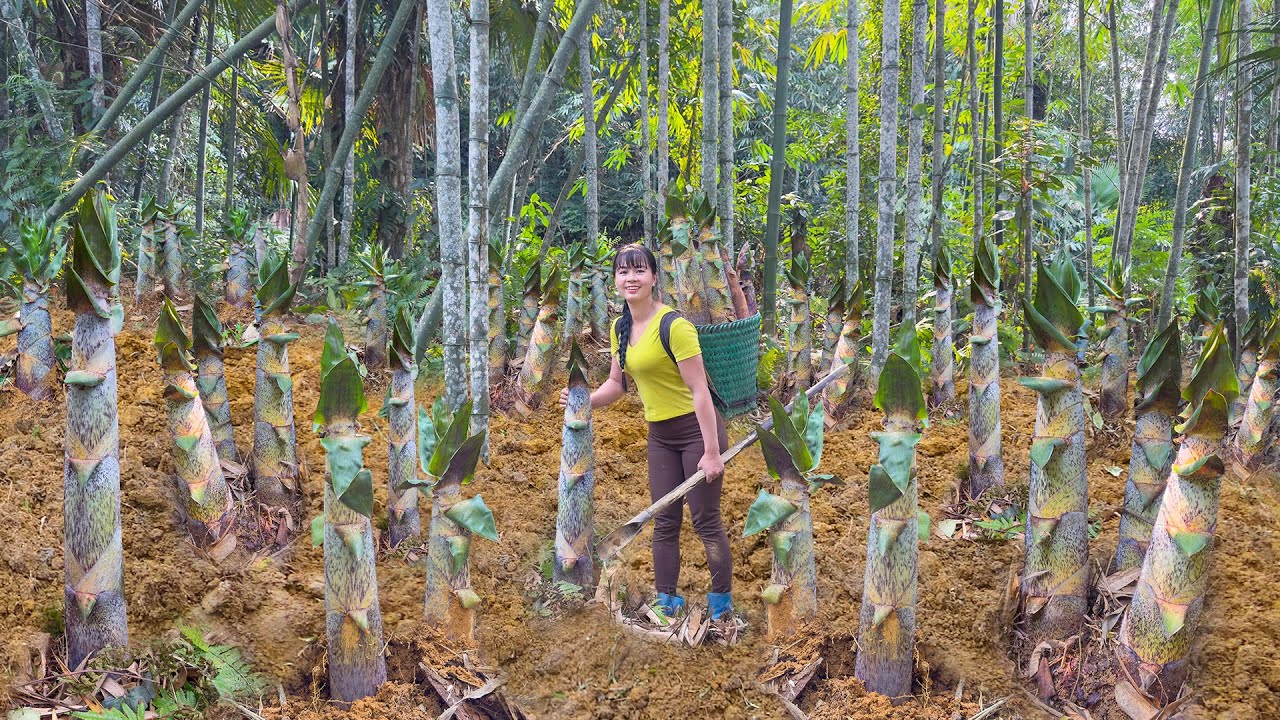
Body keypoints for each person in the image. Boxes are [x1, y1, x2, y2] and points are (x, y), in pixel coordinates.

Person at [559, 242, 733, 620]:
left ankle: (722, 604)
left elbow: (699, 390)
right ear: (616, 281)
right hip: (660, 436)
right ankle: (667, 602)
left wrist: (711, 451)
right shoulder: (620, 328)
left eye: (639, 270)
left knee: (705, 520)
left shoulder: (675, 326)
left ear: (654, 278)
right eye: (623, 271)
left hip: (697, 433)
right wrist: (584, 400)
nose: (631, 278)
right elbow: (617, 386)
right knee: (665, 519)